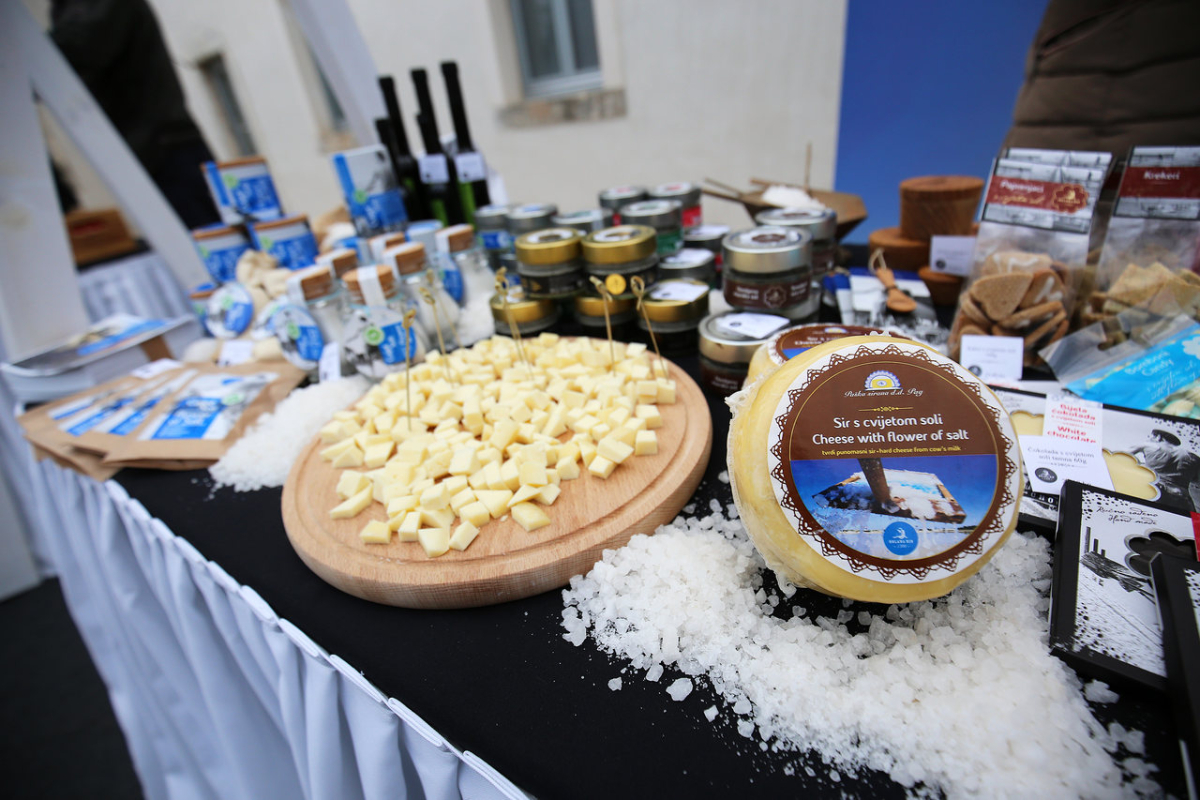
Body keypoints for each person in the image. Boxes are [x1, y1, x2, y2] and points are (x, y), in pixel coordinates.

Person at [50, 0, 220, 229]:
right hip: (149, 148)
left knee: (204, 235)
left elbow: (78, 48)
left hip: (162, 147)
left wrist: (19, 60)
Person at [1130, 429, 1200, 510]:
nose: (1149, 439)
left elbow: (1120, 456)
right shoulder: (1193, 457)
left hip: (1155, 490)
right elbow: (1197, 483)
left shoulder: (1149, 446)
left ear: (1158, 437)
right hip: (1182, 496)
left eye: (1150, 437)